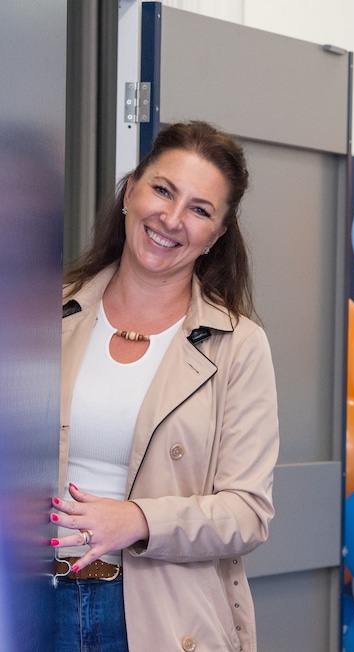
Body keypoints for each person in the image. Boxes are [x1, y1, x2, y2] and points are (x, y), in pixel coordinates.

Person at [50, 120, 280, 652]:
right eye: (162, 190)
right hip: (29, 603)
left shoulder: (238, 345)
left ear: (217, 236)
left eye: (200, 210)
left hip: (160, 618)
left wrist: (137, 519)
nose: (171, 219)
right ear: (130, 191)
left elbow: (247, 512)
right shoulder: (45, 312)